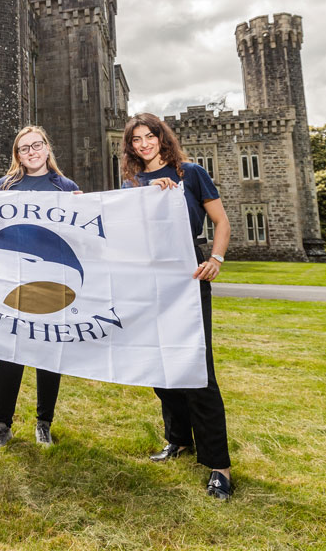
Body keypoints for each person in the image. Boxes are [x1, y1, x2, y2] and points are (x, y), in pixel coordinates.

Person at [120, 112, 234, 500]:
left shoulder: (190, 173)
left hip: (187, 275)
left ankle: (219, 465)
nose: (143, 144)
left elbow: (220, 221)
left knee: (197, 368)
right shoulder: (132, 182)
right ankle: (178, 439)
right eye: (136, 140)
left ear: (161, 137)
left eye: (149, 136)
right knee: (160, 364)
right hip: (149, 277)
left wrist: (215, 259)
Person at [0, 125, 81, 450]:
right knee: (9, 355)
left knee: (48, 353)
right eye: (24, 148)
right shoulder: (6, 185)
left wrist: (85, 207)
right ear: (17, 155)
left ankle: (44, 424)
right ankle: (2, 426)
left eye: (36, 145)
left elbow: (81, 237)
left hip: (52, 279)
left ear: (47, 147)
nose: (31, 152)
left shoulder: (64, 187)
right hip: (13, 280)